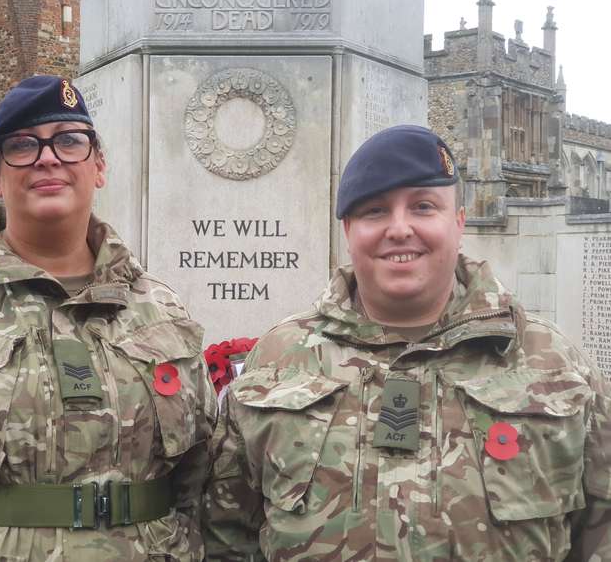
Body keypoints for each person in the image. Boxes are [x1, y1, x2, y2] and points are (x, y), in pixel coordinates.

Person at [203, 125, 611, 561]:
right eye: (375, 211)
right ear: (348, 229)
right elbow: (227, 531)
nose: (399, 229)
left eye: (422, 206)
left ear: (458, 222)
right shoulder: (279, 359)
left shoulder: (554, 365)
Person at [0, 75, 216, 561]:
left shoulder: (161, 311)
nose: (48, 157)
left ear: (99, 167)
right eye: (22, 145)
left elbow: (203, 483)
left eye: (70, 140)